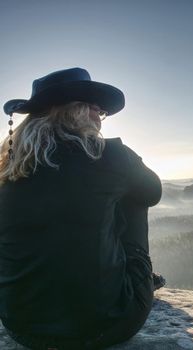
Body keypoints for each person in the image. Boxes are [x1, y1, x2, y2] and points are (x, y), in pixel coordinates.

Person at [0, 67, 165, 349]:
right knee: (135, 197)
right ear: (71, 110)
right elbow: (153, 192)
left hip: (20, 325)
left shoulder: (8, 169)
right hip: (104, 327)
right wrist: (129, 162)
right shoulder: (112, 156)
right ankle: (137, 277)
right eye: (93, 106)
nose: (99, 114)